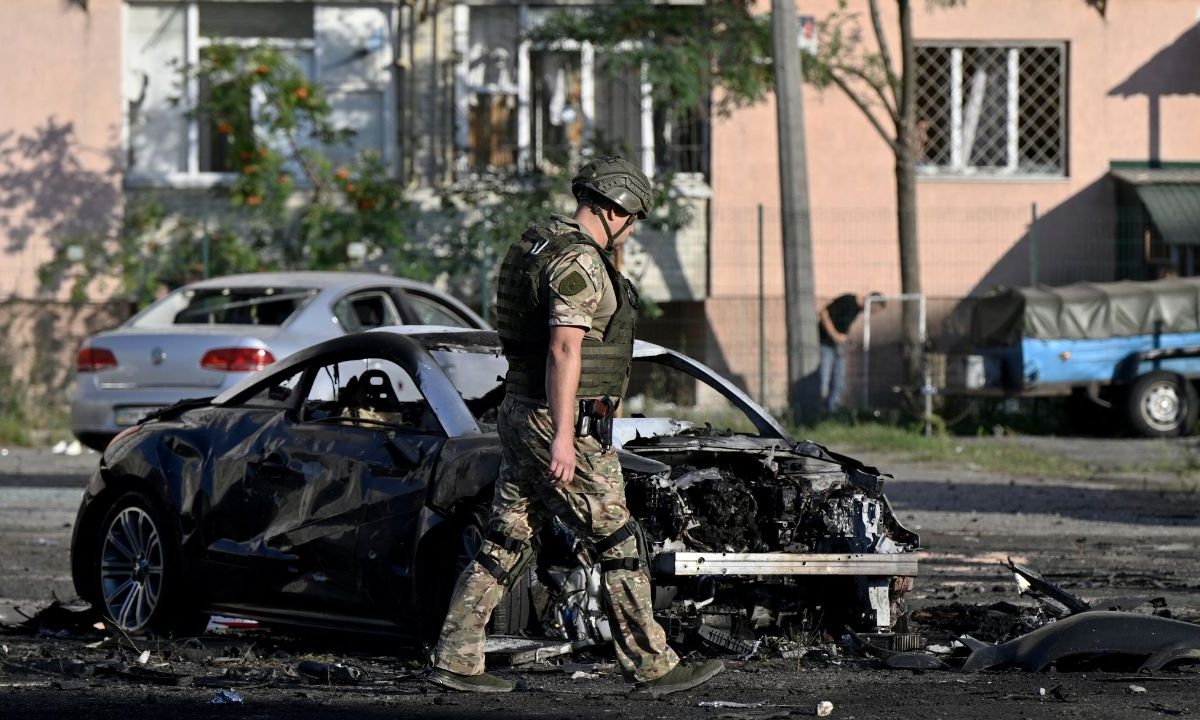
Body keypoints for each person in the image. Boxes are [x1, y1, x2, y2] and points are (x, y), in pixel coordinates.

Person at [429, 156, 724, 696]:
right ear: (613, 209)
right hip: (561, 419)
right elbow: (565, 349)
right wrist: (565, 435)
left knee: (505, 538)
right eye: (631, 220)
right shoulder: (580, 264)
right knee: (617, 538)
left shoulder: (539, 244)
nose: (631, 231)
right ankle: (652, 663)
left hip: (521, 411)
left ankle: (456, 653)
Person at [818, 292, 881, 414]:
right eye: (874, 310)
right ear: (872, 302)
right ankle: (818, 412)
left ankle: (832, 412)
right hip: (826, 344)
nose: (872, 313)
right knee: (823, 380)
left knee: (839, 382)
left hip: (838, 347)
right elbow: (823, 313)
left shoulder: (858, 310)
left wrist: (846, 340)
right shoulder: (848, 301)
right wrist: (835, 335)